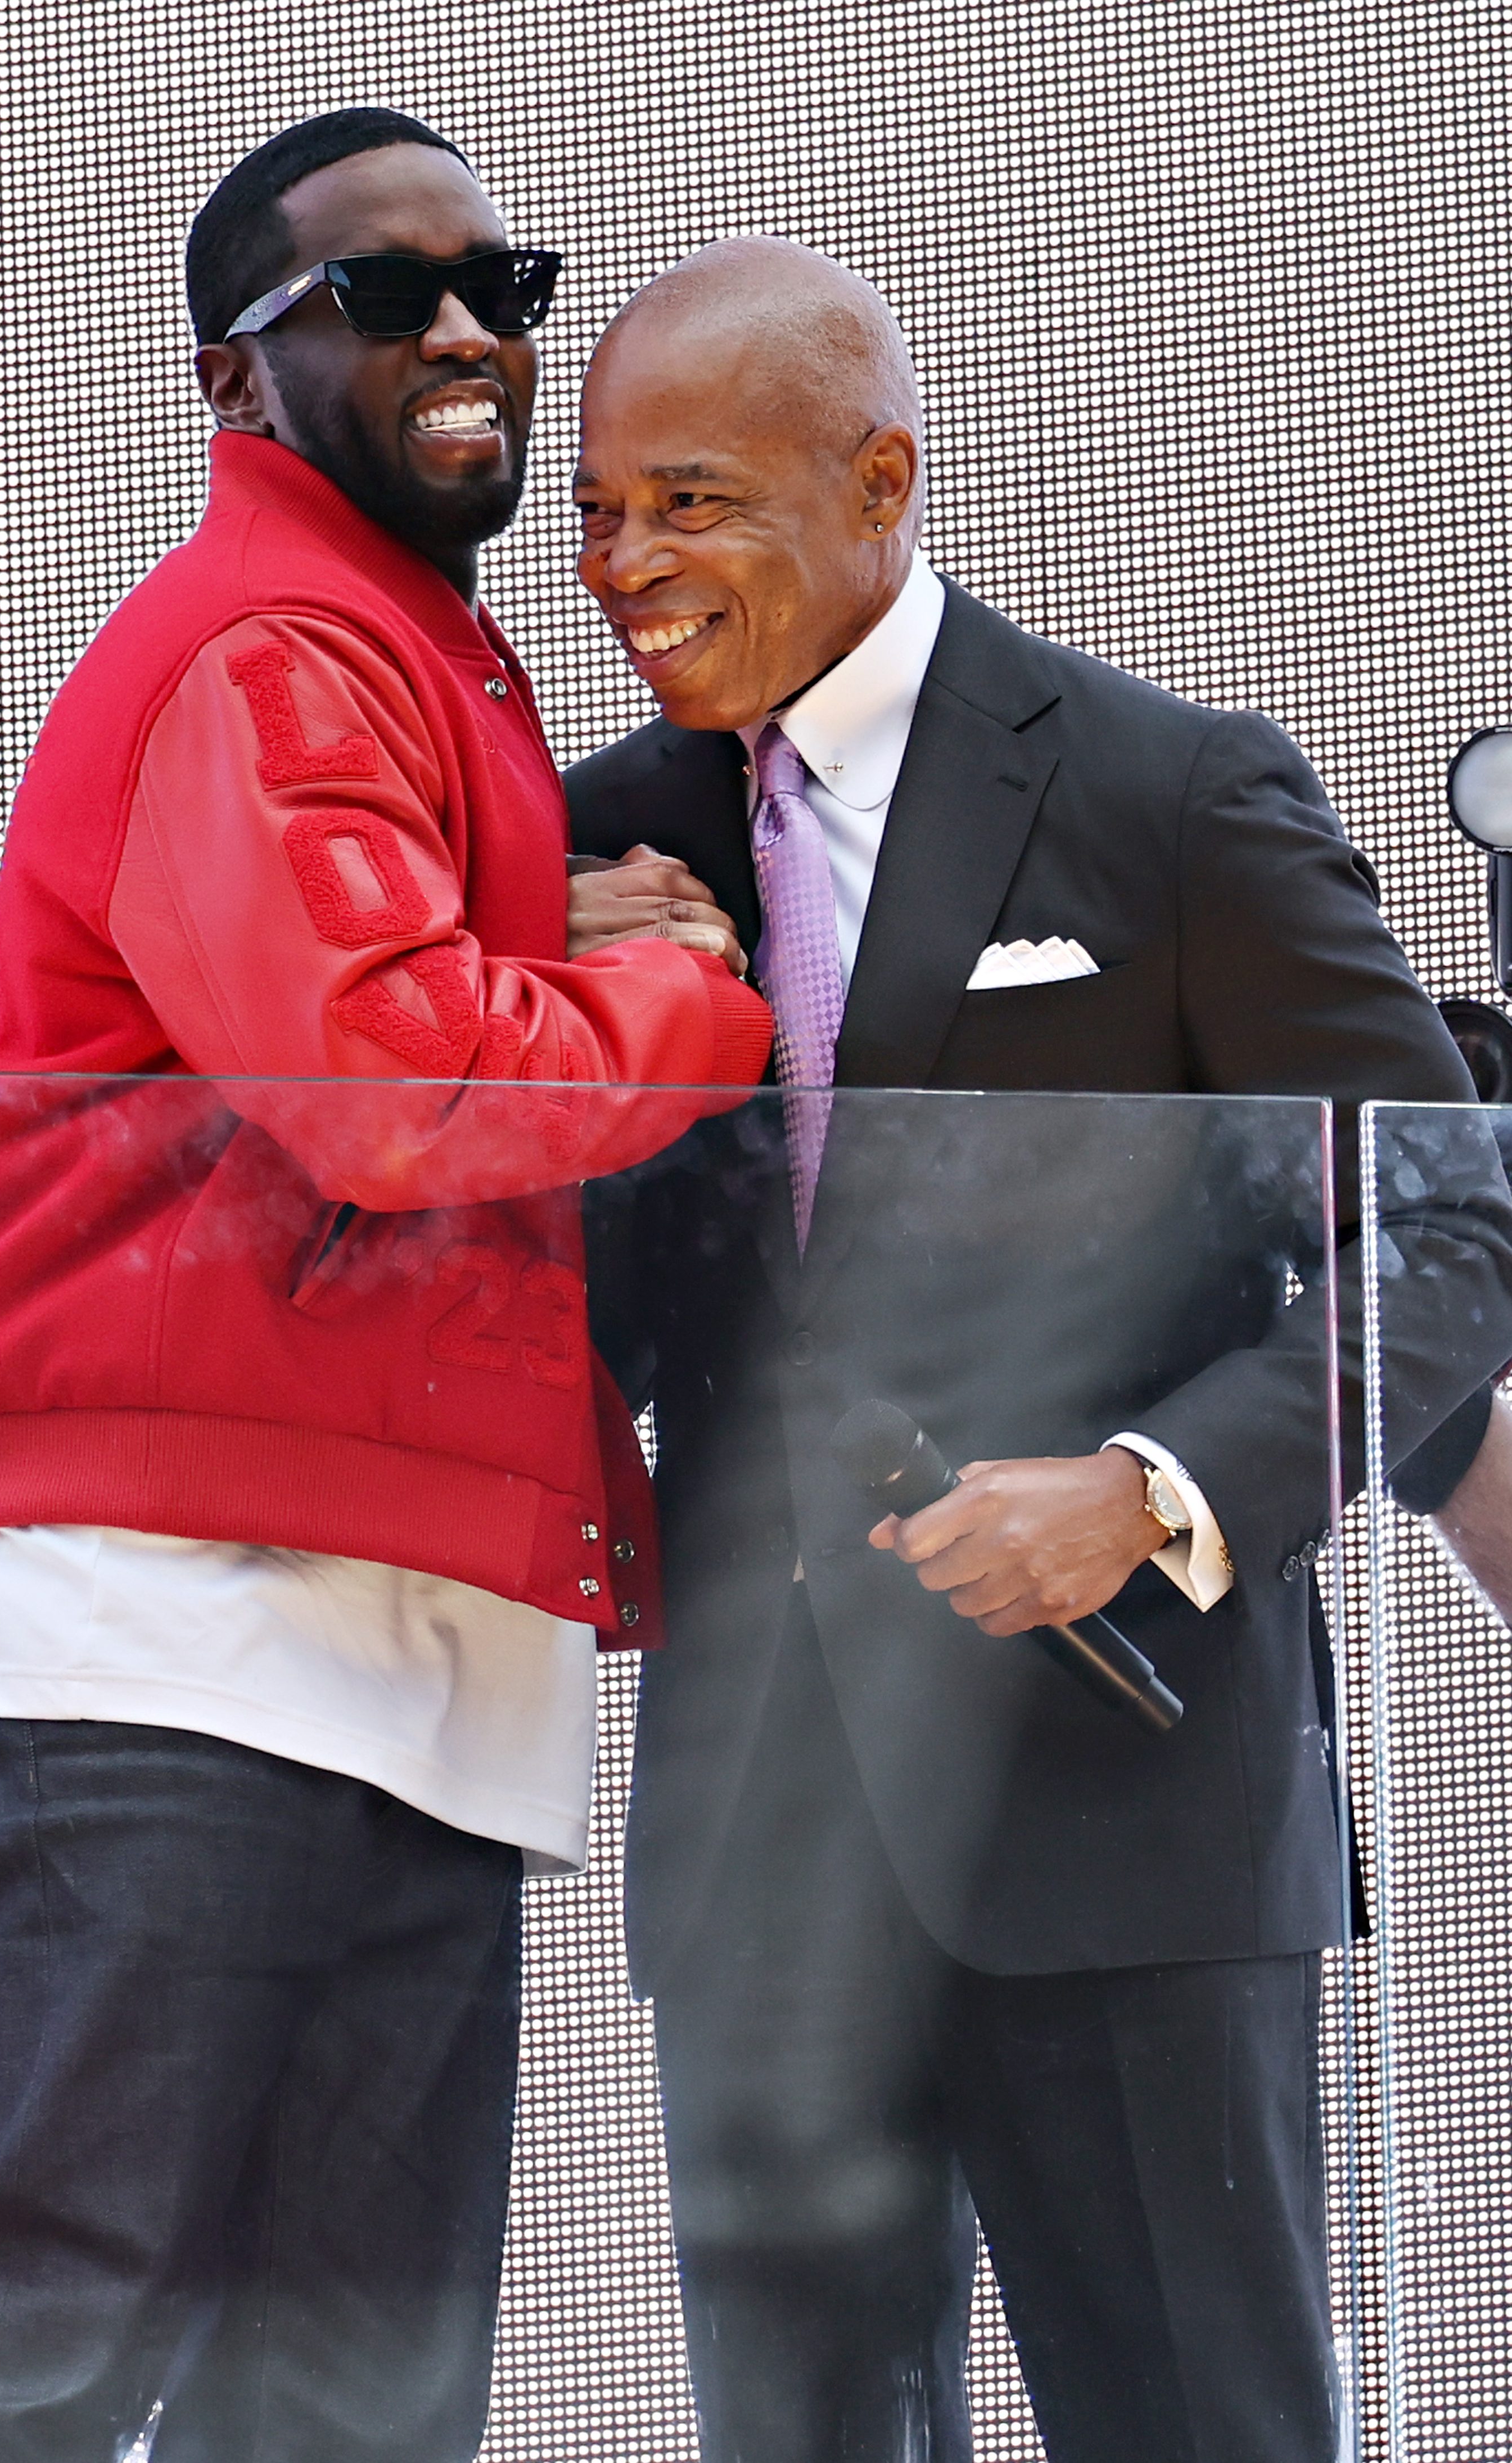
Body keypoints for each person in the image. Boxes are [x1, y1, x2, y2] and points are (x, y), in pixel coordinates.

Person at [0, 116, 770, 2463]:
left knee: (346, 2414)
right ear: (231, 375)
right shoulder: (274, 641)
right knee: (32, 2362)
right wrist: (689, 999)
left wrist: (523, 934)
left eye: (501, 284)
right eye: (381, 294)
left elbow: (384, 1009)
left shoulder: (419, 665)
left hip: (378, 1648)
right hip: (152, 1634)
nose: (466, 331)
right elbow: (395, 1088)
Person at [564, 238, 1512, 2463]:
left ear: (877, 482)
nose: (624, 565)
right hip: (762, 1849)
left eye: (690, 502)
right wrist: (529, 992)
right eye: (599, 512)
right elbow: (577, 1306)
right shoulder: (598, 835)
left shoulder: (1169, 798)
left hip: (1126, 1808)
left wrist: (1152, 1494)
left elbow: (1456, 1225)